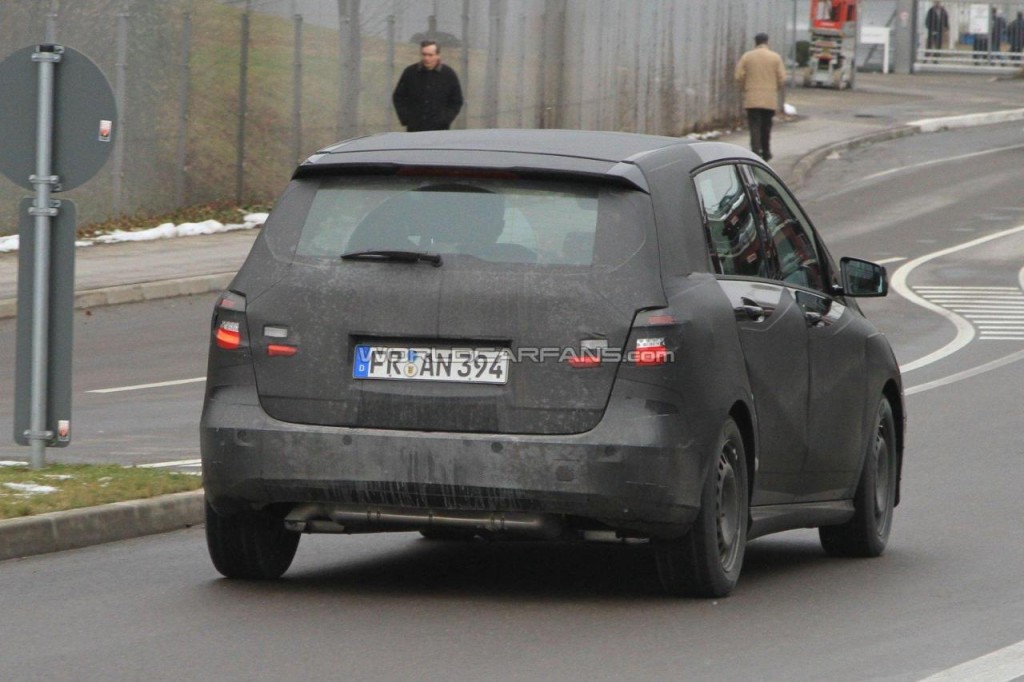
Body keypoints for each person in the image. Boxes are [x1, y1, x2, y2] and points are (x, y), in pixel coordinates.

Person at [392, 40, 464, 133]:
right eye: (424, 54)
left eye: (430, 55)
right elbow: (398, 97)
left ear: (438, 55)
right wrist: (407, 118)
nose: (426, 58)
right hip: (414, 130)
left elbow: (456, 101)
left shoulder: (448, 75)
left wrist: (445, 120)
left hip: (439, 131)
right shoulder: (410, 73)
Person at [734, 33, 786, 163]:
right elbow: (782, 78)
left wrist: (745, 87)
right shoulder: (775, 57)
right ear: (767, 42)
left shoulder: (747, 56)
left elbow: (739, 75)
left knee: (754, 126)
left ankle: (755, 152)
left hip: (752, 97)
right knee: (766, 126)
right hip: (769, 98)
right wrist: (775, 89)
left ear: (755, 42)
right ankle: (766, 152)